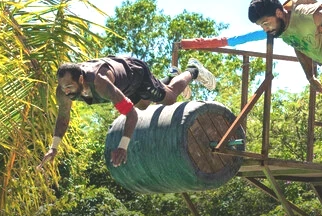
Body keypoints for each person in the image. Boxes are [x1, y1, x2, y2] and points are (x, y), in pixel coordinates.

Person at [37, 56, 216, 169]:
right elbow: (63, 117)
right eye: (63, 87)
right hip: (123, 86)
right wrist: (54, 147)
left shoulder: (101, 83)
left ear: (81, 79)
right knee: (143, 105)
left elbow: (131, 115)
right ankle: (171, 75)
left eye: (69, 86)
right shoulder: (63, 91)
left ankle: (193, 70)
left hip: (136, 75)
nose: (66, 91)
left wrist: (122, 146)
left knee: (169, 98)